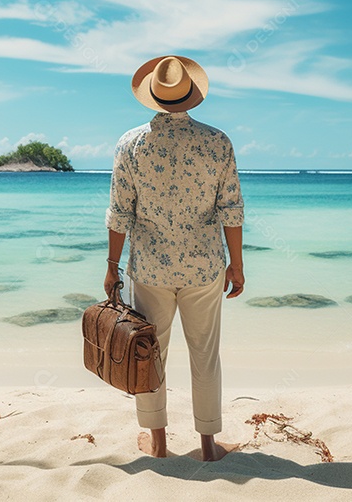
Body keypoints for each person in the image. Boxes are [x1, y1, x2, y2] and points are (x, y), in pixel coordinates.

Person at [104, 55, 245, 462]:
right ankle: (207, 445)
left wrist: (112, 267)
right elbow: (231, 210)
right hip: (204, 267)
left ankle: (159, 443)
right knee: (205, 353)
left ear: (152, 96)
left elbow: (120, 212)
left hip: (150, 268)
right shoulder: (217, 141)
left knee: (150, 353)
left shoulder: (130, 144)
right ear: (191, 95)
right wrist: (236, 265)